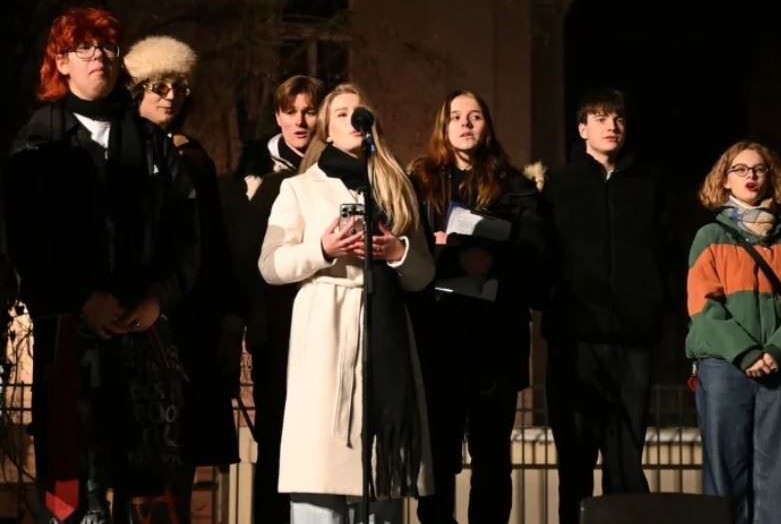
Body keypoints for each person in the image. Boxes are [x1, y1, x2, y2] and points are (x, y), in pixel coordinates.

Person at [4, 6, 199, 522]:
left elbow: (187, 236)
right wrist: (80, 299)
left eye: (108, 47)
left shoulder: (153, 143)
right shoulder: (39, 140)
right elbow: (25, 241)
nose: (99, 57)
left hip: (143, 339)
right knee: (73, 499)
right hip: (71, 341)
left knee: (149, 499)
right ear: (61, 62)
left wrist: (158, 298)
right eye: (84, 47)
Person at [258, 83, 435, 523]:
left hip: (384, 336)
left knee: (380, 487)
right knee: (320, 478)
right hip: (325, 334)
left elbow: (422, 275)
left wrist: (397, 252)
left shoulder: (395, 188)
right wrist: (322, 249)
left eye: (360, 112)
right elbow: (270, 265)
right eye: (341, 113)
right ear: (327, 130)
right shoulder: (299, 189)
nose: (353, 119)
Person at [407, 90, 547, 524]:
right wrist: (455, 257)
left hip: (495, 343)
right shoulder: (420, 182)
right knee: (438, 459)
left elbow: (535, 255)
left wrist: (490, 258)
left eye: (475, 116)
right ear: (442, 126)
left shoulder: (515, 186)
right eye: (456, 116)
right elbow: (409, 249)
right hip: (438, 341)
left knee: (492, 461)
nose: (465, 124)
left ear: (487, 125)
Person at [540, 87, 676, 524]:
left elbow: (668, 254)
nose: (611, 126)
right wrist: (556, 306)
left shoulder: (649, 186)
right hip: (574, 343)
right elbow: (542, 255)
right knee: (574, 466)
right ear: (582, 129)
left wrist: (654, 309)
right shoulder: (558, 186)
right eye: (600, 118)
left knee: (626, 464)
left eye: (618, 118)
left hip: (633, 341)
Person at [125, 34, 241, 522]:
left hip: (188, 321)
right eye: (159, 86)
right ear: (137, 90)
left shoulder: (193, 157)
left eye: (178, 87)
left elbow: (212, 245)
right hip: (127, 319)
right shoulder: (115, 151)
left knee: (178, 459)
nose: (170, 95)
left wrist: (227, 321)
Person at [686, 141, 781, 524]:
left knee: (778, 477)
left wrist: (776, 351)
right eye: (740, 169)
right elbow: (703, 307)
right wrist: (746, 353)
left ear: (771, 177)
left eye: (759, 169)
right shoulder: (710, 236)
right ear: (724, 180)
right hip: (723, 367)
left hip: (777, 366)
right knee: (725, 476)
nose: (751, 176)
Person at [219, 74, 325, 524]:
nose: (300, 121)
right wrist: (242, 324)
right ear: (278, 116)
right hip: (273, 330)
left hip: (323, 328)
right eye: (290, 111)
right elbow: (243, 257)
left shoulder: (336, 169)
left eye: (309, 111)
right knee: (276, 444)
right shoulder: (255, 175)